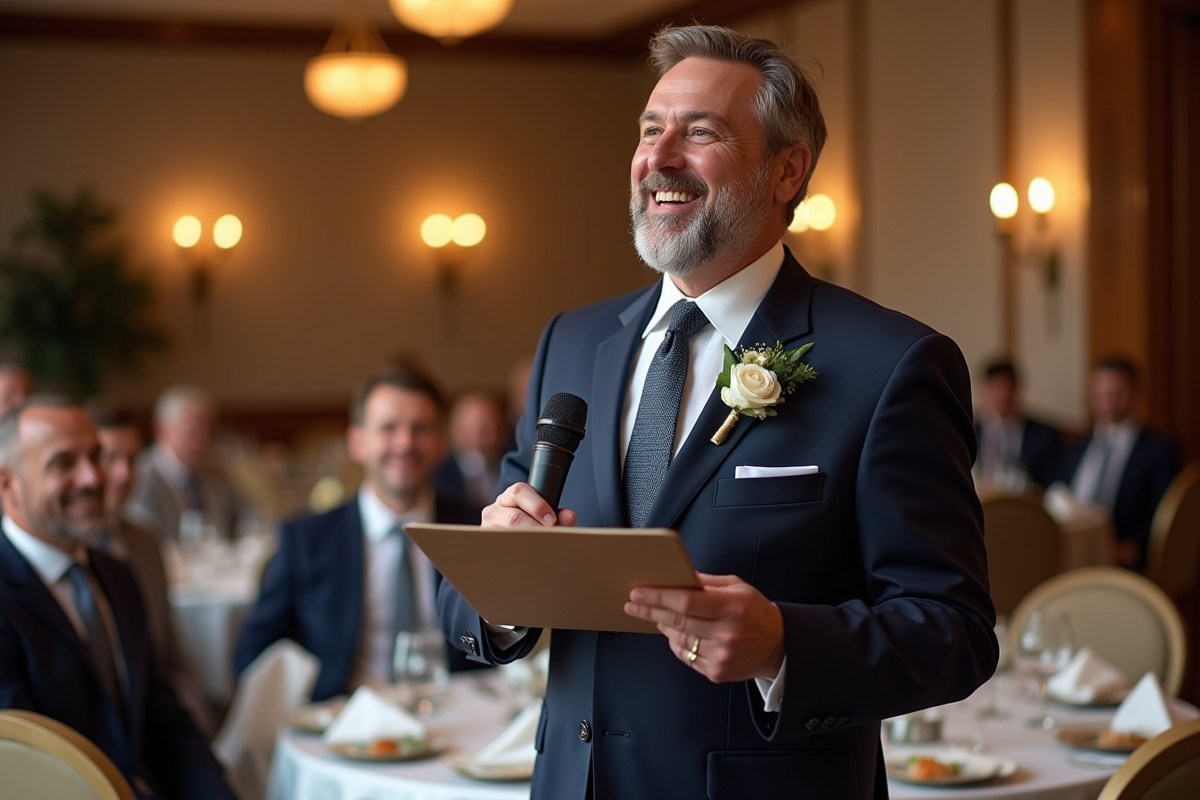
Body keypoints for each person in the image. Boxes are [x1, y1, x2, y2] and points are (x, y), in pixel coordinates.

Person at [436, 25, 997, 800]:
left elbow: (955, 633)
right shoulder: (573, 341)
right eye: (649, 130)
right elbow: (477, 586)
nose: (658, 158)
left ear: (787, 171)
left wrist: (783, 646)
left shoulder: (890, 364)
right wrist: (498, 586)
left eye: (699, 132)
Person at [0, 396, 236, 799]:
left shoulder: (117, 574)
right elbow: (28, 761)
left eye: (98, 457)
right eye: (64, 464)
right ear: (7, 484)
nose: (94, 478)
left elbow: (163, 718)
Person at [234, 367, 487, 702]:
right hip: (345, 725)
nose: (405, 443)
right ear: (357, 442)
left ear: (441, 443)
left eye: (420, 428)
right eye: (388, 428)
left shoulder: (475, 529)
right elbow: (252, 656)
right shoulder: (307, 540)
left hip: (459, 716)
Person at [86, 400, 215, 735]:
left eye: (132, 460)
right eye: (108, 458)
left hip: (159, 726)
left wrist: (197, 727)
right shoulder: (64, 552)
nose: (123, 475)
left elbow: (170, 655)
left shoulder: (145, 543)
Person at [1053, 356, 1180, 570]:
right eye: (1100, 394)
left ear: (1136, 392)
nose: (1108, 402)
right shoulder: (1076, 447)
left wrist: (1134, 547)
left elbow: (1163, 514)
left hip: (1123, 559)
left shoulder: (1159, 450)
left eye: (1116, 393)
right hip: (1070, 554)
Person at [124, 384, 249, 541]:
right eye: (192, 432)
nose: (203, 441)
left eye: (210, 431)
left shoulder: (216, 470)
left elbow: (250, 516)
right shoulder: (140, 475)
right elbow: (146, 539)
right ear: (161, 430)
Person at [973, 358, 1061, 490]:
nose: (1001, 395)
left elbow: (1052, 487)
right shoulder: (968, 432)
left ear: (1017, 389)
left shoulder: (1044, 435)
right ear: (983, 391)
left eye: (1005, 388)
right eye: (994, 388)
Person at [434, 389, 511, 511]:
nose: (482, 433)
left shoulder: (513, 467)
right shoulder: (437, 474)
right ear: (455, 429)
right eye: (474, 425)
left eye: (490, 423)